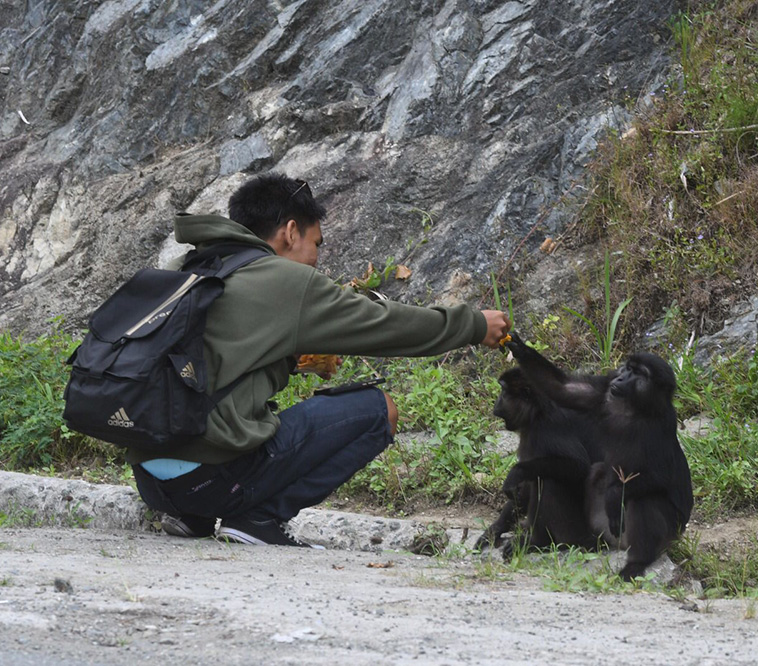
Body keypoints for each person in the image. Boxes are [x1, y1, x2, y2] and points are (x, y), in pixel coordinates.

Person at [129, 173, 510, 547]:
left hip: (152, 482)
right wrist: (474, 325)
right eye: (316, 243)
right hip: (214, 481)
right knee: (380, 409)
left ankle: (188, 516)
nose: (315, 259)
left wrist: (287, 360)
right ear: (290, 232)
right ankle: (259, 519)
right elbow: (389, 325)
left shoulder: (193, 266)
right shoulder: (282, 278)